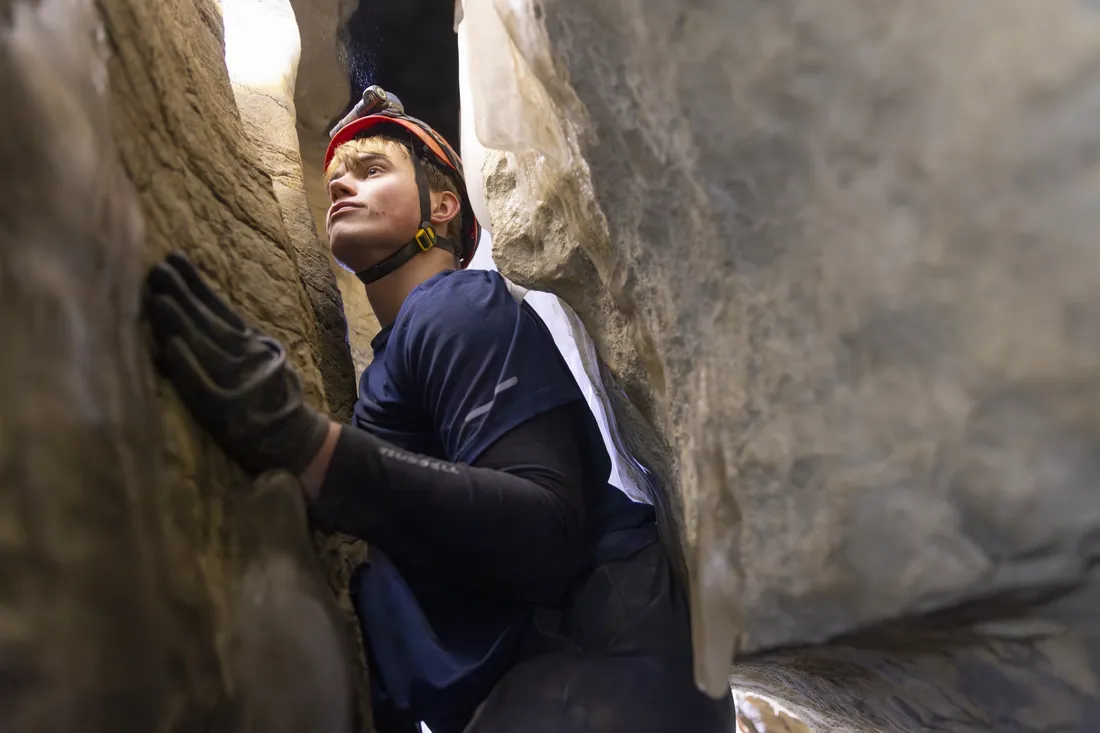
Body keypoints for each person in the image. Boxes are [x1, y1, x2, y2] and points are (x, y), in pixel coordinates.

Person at [142, 87, 733, 733]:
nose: (340, 184)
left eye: (372, 169)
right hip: (584, 681)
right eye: (335, 176)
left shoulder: (456, 305)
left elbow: (545, 529)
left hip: (602, 670)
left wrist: (308, 446)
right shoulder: (401, 349)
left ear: (444, 207)